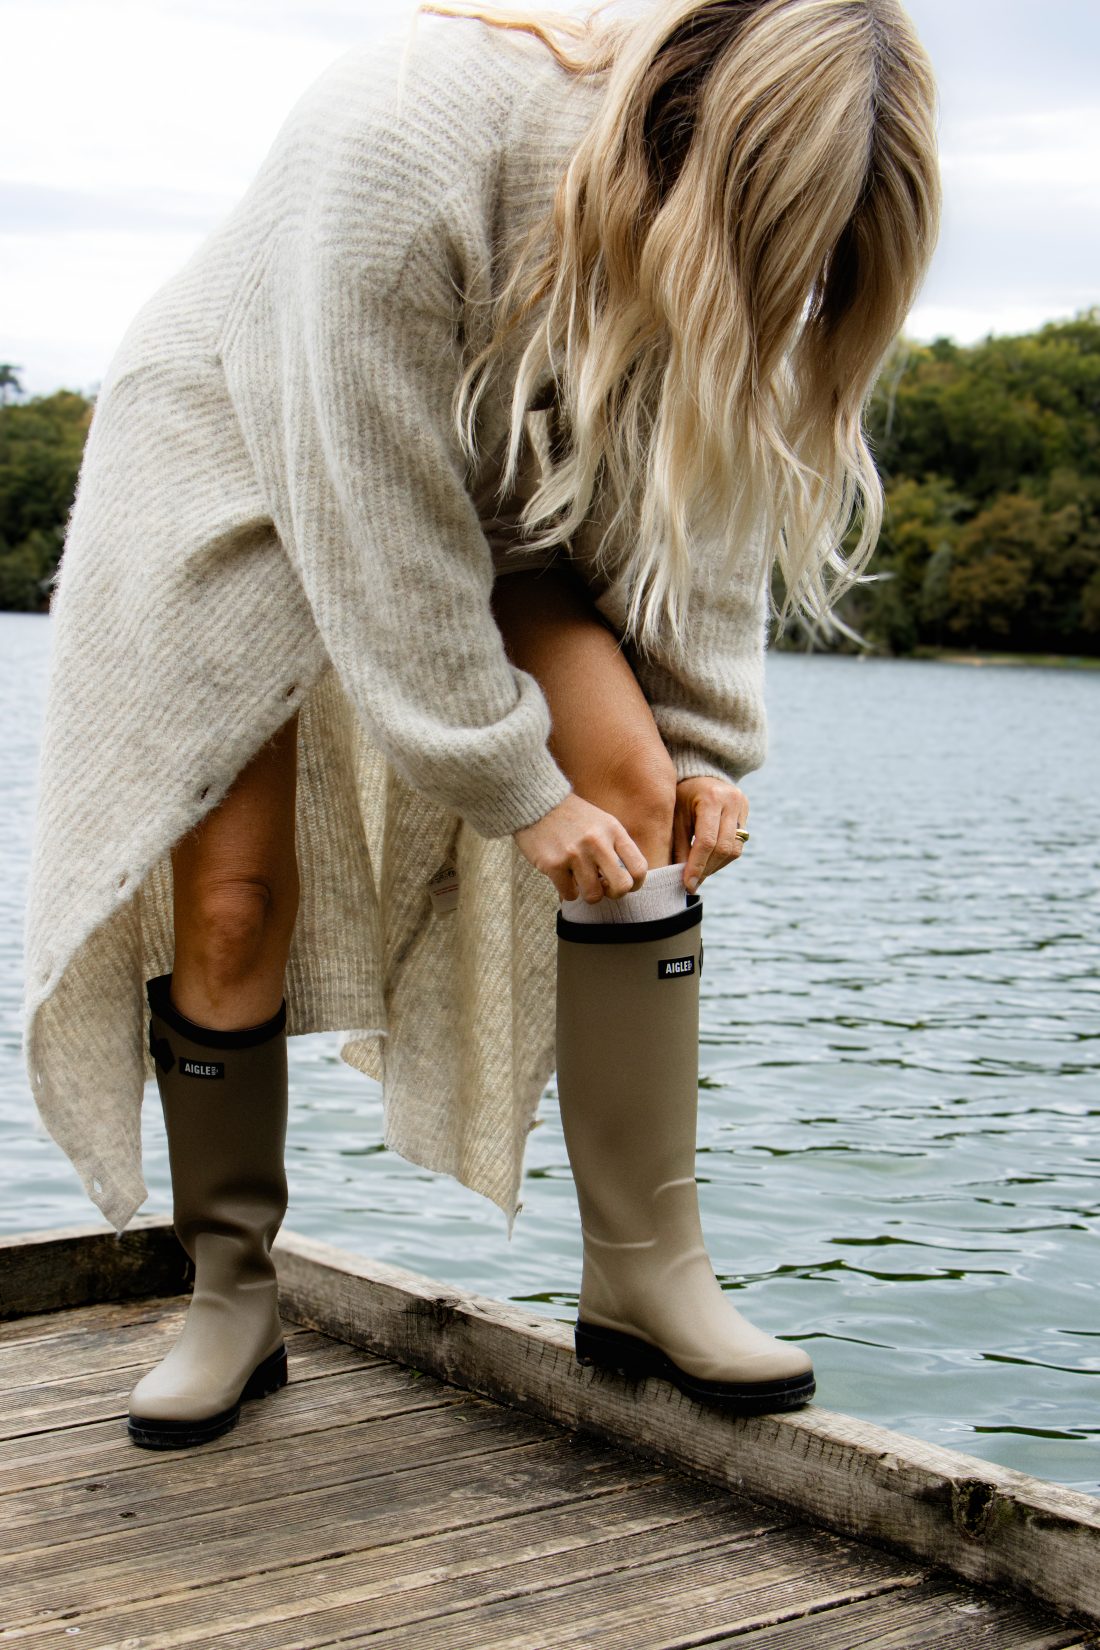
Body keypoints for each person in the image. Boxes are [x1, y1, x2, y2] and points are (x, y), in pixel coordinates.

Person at [22, 0, 940, 1449]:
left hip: (495, 476)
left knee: (641, 802)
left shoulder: (723, 238)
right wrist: (511, 784)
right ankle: (231, 1292)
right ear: (691, 152)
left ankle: (645, 1274)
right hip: (233, 440)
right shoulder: (402, 138)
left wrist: (703, 746)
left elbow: (692, 499)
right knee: (233, 904)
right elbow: (377, 519)